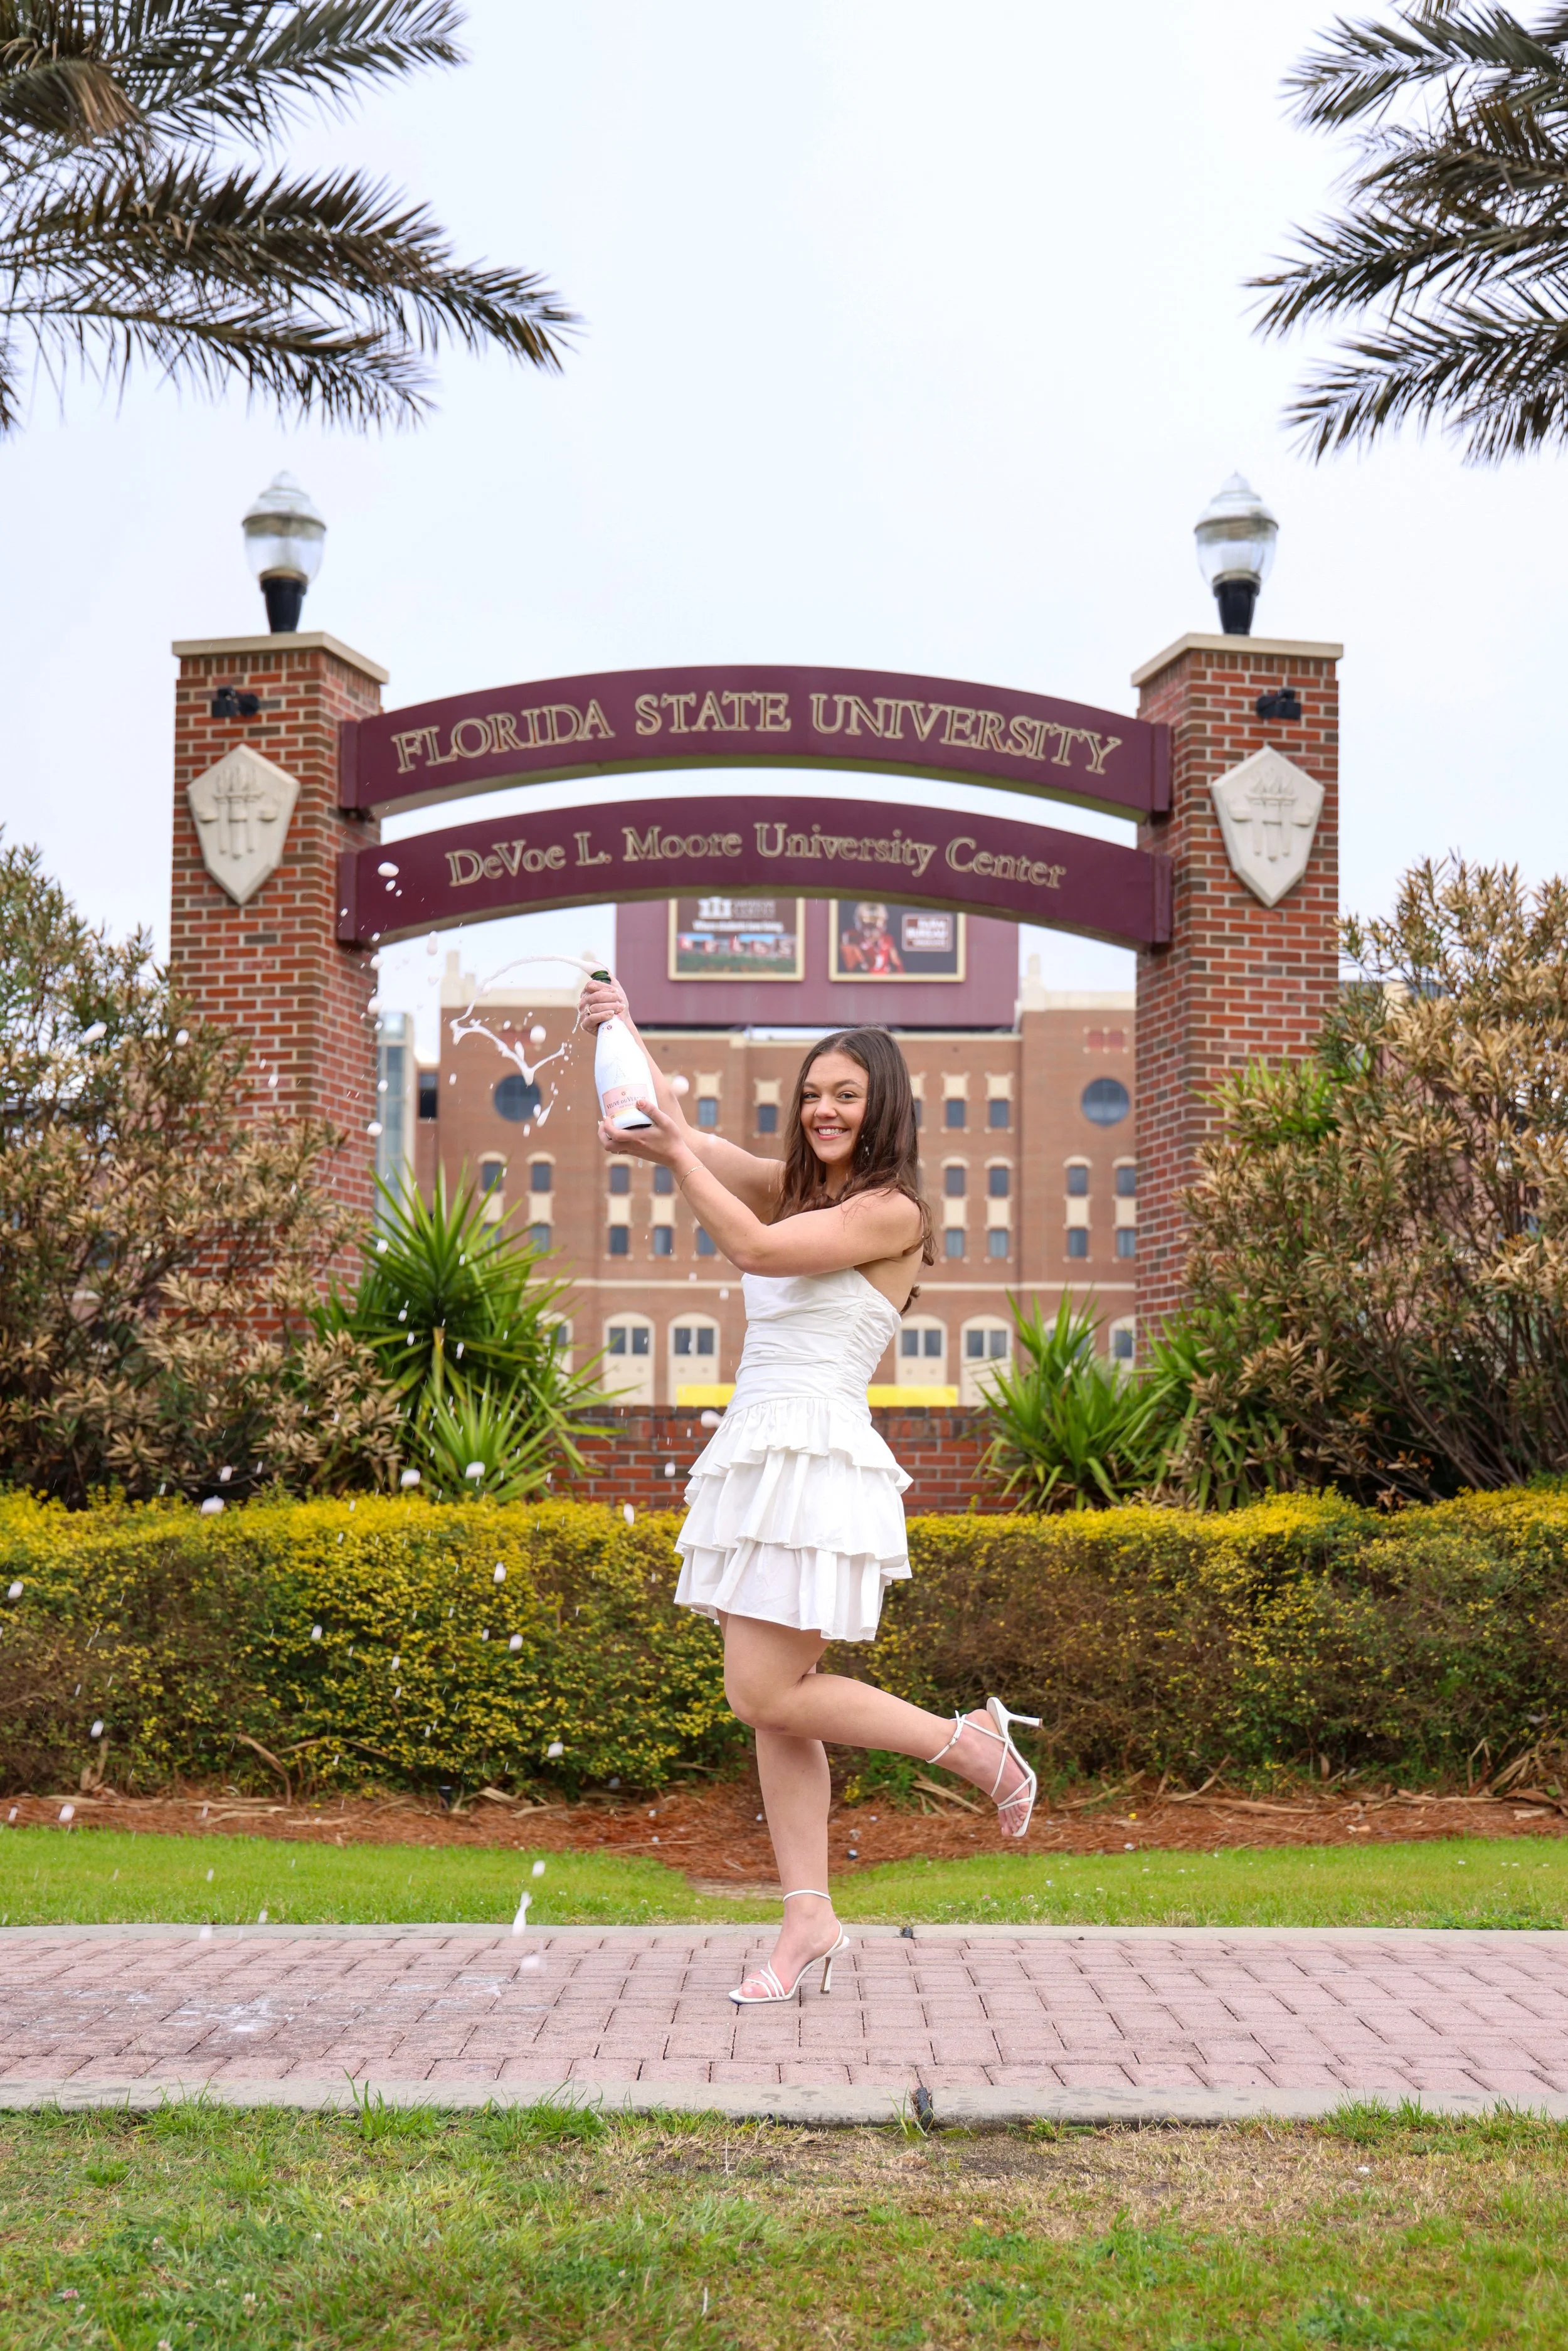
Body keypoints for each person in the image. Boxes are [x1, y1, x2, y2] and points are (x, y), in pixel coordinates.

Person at [578, 976, 1039, 2007]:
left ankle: (972, 1746)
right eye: (811, 1094)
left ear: (885, 1107)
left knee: (763, 1691)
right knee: (776, 1715)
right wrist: (622, 1027)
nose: (824, 1111)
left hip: (817, 1453)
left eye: (846, 1095)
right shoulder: (805, 1188)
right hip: (761, 1447)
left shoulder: (892, 1212)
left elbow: (752, 1246)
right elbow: (678, 1123)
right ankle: (808, 1915)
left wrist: (681, 1154)